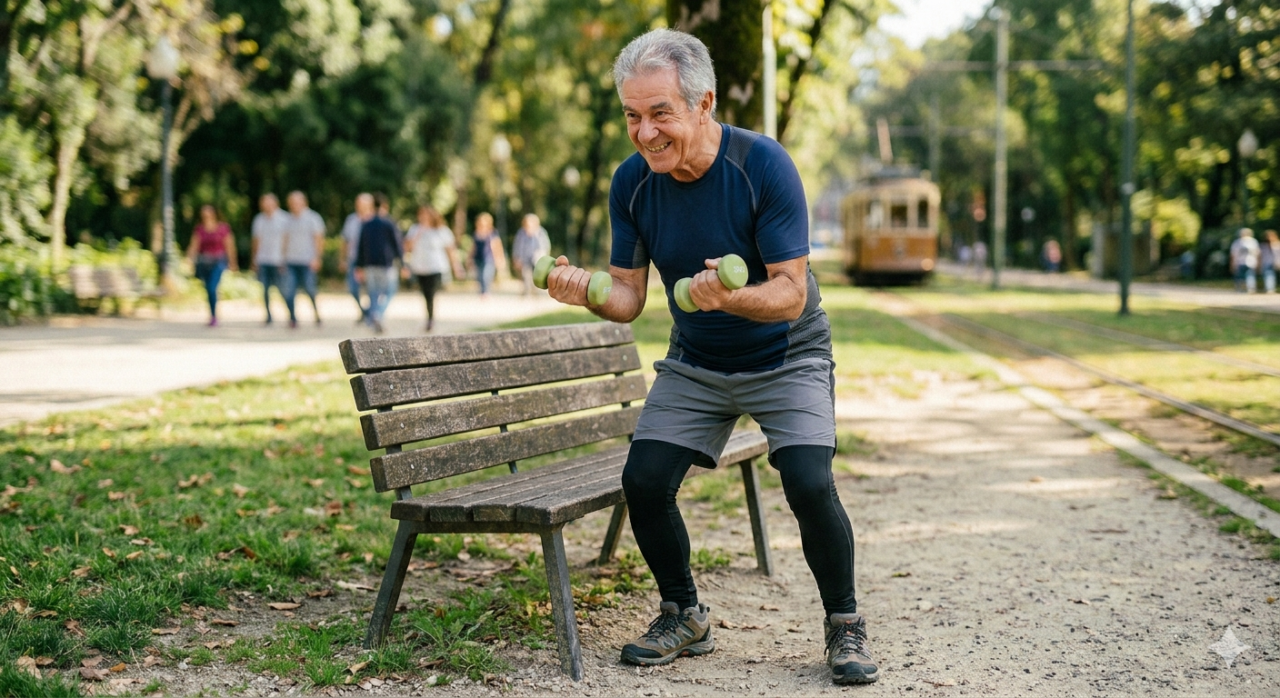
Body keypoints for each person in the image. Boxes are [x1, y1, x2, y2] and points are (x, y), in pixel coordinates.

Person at [542, 29, 877, 686]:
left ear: (703, 104)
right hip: (697, 362)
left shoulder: (763, 167)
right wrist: (583, 290)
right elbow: (631, 297)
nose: (644, 133)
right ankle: (684, 613)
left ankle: (844, 624)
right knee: (644, 481)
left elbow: (789, 295)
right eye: (632, 116)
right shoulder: (632, 184)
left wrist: (728, 297)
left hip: (787, 355)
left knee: (810, 483)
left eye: (659, 112)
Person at [404, 205, 463, 331]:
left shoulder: (442, 230)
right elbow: (407, 247)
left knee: (430, 293)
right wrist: (419, 232)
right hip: (419, 268)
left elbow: (450, 250)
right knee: (425, 293)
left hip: (436, 267)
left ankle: (430, 319)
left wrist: (456, 267)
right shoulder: (415, 229)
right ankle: (429, 317)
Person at [354, 193, 403, 334]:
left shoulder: (366, 224)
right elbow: (397, 244)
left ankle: (373, 317)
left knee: (373, 293)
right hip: (386, 263)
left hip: (369, 264)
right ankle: (378, 314)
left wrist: (359, 266)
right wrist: (403, 263)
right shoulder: (389, 223)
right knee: (390, 290)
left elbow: (360, 247)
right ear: (384, 206)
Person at [185, 204, 237, 327]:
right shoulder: (200, 229)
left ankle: (214, 315)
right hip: (204, 262)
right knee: (208, 289)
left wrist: (233, 262)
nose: (206, 215)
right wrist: (189, 259)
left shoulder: (223, 228)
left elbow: (229, 246)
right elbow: (194, 246)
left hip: (218, 261)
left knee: (212, 287)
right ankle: (212, 314)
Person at [282, 191, 325, 327]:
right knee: (288, 291)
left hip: (308, 261)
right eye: (292, 203)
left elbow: (319, 239)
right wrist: (282, 259)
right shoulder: (287, 220)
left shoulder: (313, 218)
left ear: (304, 202)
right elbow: (284, 240)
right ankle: (293, 318)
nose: (294, 205)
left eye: (297, 202)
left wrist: (317, 258)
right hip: (290, 261)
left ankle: (316, 312)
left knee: (310, 289)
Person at [250, 193, 293, 325]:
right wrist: (254, 259)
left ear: (276, 203)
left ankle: (292, 315)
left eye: (269, 203)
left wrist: (285, 259)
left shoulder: (285, 218)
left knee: (284, 289)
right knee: (265, 289)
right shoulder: (259, 220)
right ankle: (268, 316)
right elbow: (256, 241)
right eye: (264, 203)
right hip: (263, 259)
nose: (267, 206)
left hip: (279, 260)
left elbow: (288, 241)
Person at [340, 194, 374, 324]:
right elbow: (345, 240)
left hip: (369, 261)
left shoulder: (375, 220)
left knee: (371, 289)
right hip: (353, 259)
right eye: (358, 203)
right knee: (353, 289)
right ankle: (364, 312)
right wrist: (343, 259)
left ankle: (371, 314)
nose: (360, 206)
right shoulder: (351, 220)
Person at [511, 213, 551, 296]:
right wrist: (516, 257)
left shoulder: (541, 233)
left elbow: (546, 245)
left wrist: (545, 257)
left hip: (537, 258)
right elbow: (517, 246)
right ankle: (527, 290)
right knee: (525, 274)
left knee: (536, 274)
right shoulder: (521, 233)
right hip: (524, 257)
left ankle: (535, 290)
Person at [471, 212, 507, 297]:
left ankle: (486, 292)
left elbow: (497, 247)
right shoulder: (476, 234)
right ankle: (482, 291)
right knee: (479, 276)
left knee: (486, 275)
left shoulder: (492, 234)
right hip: (478, 258)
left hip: (489, 258)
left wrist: (500, 258)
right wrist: (470, 258)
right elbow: (473, 247)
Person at [1229, 227, 1260, 293]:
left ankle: (1241, 288)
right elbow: (1257, 253)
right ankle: (1250, 288)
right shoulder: (1253, 242)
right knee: (1249, 276)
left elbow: (1233, 254)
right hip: (1250, 262)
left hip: (1241, 262)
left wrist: (1232, 263)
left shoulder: (1237, 242)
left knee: (1240, 276)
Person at [1259, 230, 1278, 294]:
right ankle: (1270, 289)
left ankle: (1270, 288)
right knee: (1269, 276)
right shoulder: (1263, 246)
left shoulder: (1277, 245)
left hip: (1273, 262)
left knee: (1269, 276)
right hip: (1268, 262)